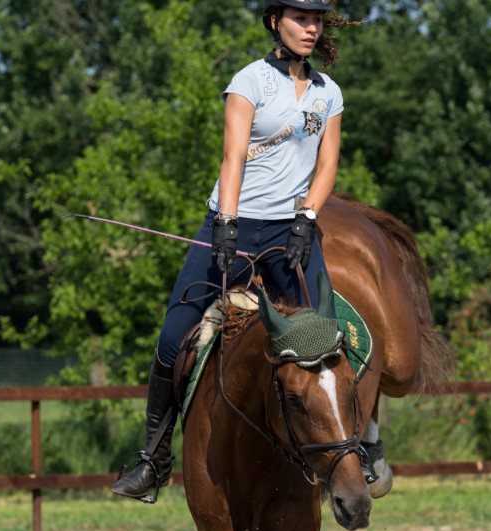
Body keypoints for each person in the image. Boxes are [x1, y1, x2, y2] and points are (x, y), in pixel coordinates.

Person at [111, 0, 360, 503]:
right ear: (275, 22)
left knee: (335, 337)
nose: (310, 28)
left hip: (291, 230)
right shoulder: (248, 81)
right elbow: (234, 156)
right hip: (232, 224)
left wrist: (307, 216)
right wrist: (226, 223)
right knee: (172, 337)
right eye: (299, 19)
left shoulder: (327, 93)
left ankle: (362, 446)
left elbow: (328, 164)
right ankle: (153, 460)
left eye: (316, 21)